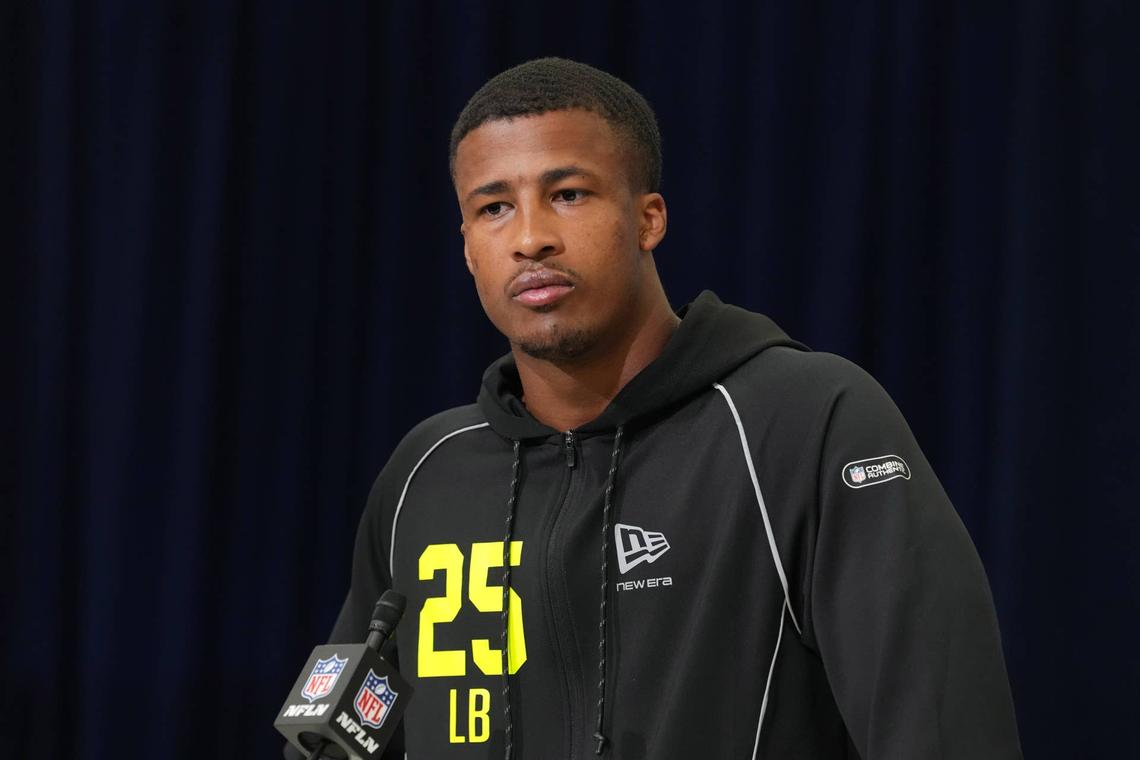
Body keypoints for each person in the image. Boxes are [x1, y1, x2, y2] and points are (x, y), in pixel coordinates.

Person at [326, 57, 1022, 759]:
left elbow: (941, 728)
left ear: (648, 219)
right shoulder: (426, 473)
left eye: (567, 194)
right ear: (469, 250)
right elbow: (337, 741)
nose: (530, 237)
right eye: (493, 208)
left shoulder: (805, 421)